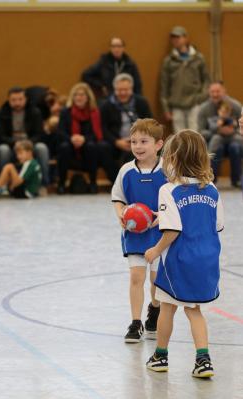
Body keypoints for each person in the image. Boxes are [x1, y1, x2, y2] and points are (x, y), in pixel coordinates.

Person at [145, 130, 224, 378]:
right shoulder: (211, 189)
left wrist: (155, 250)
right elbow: (216, 225)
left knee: (167, 307)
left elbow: (172, 230)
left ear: (174, 158)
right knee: (194, 310)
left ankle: (160, 355)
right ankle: (203, 360)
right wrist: (166, 215)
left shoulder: (169, 190)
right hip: (207, 259)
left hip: (178, 261)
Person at [112, 118, 167, 343]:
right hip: (134, 233)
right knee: (137, 277)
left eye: (144, 141)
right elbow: (118, 199)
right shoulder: (126, 170)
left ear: (158, 144)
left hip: (159, 234)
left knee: (155, 281)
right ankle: (136, 323)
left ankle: (154, 308)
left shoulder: (168, 169)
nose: (138, 146)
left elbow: (176, 200)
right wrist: (121, 214)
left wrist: (163, 215)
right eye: (133, 141)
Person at [58, 82, 117, 194]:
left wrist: (83, 139)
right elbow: (60, 132)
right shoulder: (65, 112)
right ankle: (61, 184)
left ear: (88, 97)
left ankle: (93, 183)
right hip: (70, 143)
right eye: (76, 95)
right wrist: (72, 138)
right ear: (72, 97)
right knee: (64, 147)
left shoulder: (94, 112)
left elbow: (97, 134)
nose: (79, 97)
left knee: (91, 146)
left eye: (82, 95)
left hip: (88, 145)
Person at [0, 86, 49, 188]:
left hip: (30, 145)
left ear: (26, 99)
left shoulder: (35, 112)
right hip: (11, 145)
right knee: (3, 149)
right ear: (9, 100)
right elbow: (0, 135)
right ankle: (3, 185)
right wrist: (14, 143)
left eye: (20, 99)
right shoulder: (2, 113)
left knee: (42, 148)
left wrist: (27, 144)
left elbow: (39, 134)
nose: (17, 103)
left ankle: (43, 185)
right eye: (14, 100)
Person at [160, 26, 210, 132]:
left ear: (186, 38)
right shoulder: (169, 61)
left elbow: (206, 80)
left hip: (194, 103)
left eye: (178, 37)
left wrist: (201, 98)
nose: (176, 40)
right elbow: (164, 86)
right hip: (176, 104)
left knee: (195, 133)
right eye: (173, 38)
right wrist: (166, 109)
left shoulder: (198, 58)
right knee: (179, 136)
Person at [101, 73, 152, 166]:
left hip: (140, 141)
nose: (123, 93)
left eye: (126, 90)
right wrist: (116, 142)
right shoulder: (106, 105)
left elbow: (150, 124)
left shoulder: (142, 102)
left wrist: (137, 141)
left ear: (131, 89)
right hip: (115, 142)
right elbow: (103, 128)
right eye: (120, 90)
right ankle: (117, 179)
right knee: (103, 149)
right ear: (115, 90)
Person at [198, 81, 242, 186]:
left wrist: (233, 131)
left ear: (224, 91)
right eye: (212, 91)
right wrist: (217, 131)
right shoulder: (203, 109)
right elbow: (200, 131)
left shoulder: (236, 106)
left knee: (235, 147)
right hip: (214, 140)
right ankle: (211, 180)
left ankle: (237, 180)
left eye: (218, 91)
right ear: (209, 92)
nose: (215, 94)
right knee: (216, 149)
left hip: (234, 139)